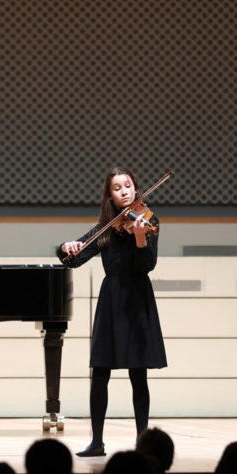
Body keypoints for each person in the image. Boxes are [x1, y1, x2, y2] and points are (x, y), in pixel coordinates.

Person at [58, 167, 167, 457]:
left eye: (127, 185)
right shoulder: (105, 227)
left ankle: (143, 442)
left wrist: (141, 238)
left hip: (137, 298)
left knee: (138, 373)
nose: (124, 191)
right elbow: (73, 260)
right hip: (111, 299)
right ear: (110, 195)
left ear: (135, 188)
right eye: (117, 188)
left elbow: (147, 265)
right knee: (101, 372)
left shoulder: (147, 220)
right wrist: (64, 247)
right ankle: (97, 442)